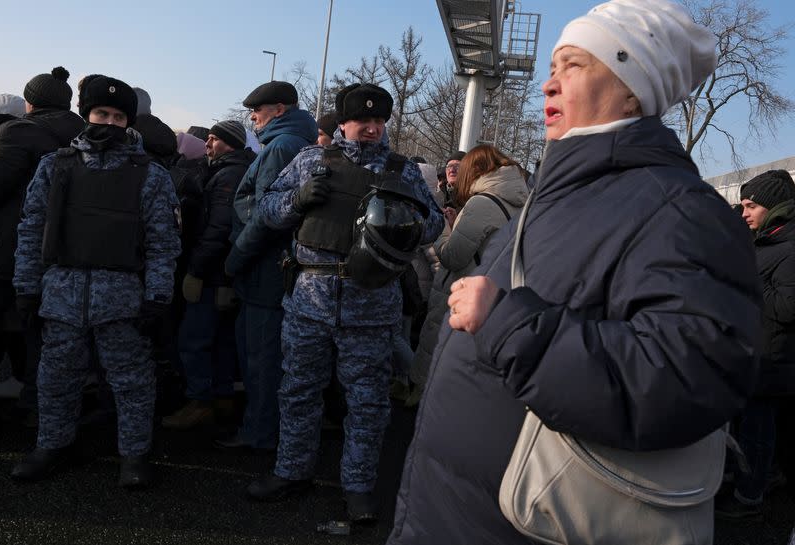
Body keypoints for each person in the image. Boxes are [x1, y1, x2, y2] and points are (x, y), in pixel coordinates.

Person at [387, 1, 763, 543]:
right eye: (551, 67)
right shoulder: (555, 198)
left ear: (634, 90)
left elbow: (690, 373)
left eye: (574, 66)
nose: (549, 85)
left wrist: (508, 325)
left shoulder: (677, 209)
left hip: (532, 522)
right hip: (455, 510)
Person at [251, 83, 443, 521]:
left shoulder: (401, 171)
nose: (372, 129)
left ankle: (358, 488)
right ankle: (291, 472)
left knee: (368, 402)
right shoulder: (311, 161)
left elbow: (431, 225)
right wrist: (298, 200)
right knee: (298, 391)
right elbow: (267, 210)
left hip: (371, 306)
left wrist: (402, 216)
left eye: (379, 122)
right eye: (363, 121)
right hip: (310, 303)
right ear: (343, 123)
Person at [10, 75, 181, 489]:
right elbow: (32, 229)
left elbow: (163, 240)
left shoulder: (150, 175)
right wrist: (26, 286)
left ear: (129, 122)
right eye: (101, 113)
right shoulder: (56, 165)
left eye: (118, 116)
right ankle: (52, 445)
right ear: (86, 115)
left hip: (122, 298)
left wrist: (158, 294)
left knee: (132, 382)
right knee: (56, 378)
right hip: (62, 294)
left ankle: (134, 455)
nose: (109, 121)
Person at [217, 81, 317, 452]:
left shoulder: (281, 147)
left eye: (257, 111)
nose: (253, 119)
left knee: (261, 361)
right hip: (271, 271)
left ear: (279, 110)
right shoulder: (294, 143)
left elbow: (265, 217)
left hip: (264, 273)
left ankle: (258, 433)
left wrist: (234, 259)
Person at [0, 67, 85, 428]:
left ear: (29, 104)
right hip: (64, 255)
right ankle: (37, 409)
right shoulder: (83, 136)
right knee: (41, 337)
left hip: (8, 250)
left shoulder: (17, 132)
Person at [406, 144, 528, 407]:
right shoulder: (519, 202)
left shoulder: (481, 202)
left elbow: (452, 256)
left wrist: (443, 229)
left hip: (461, 291)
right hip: (494, 292)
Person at [162, 121, 255, 430]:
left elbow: (218, 229)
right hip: (225, 274)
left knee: (194, 339)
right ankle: (223, 399)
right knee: (221, 340)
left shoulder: (228, 175)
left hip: (213, 273)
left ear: (229, 143)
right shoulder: (229, 170)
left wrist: (196, 271)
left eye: (214, 139)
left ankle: (200, 400)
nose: (208, 145)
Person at [716, 169, 795, 518]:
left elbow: (787, 306)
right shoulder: (767, 239)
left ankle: (750, 496)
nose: (744, 212)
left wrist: (745, 284)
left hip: (772, 361)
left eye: (751, 205)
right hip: (752, 354)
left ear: (775, 206)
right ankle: (747, 476)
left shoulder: (789, 247)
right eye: (742, 204)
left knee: (757, 431)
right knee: (746, 426)